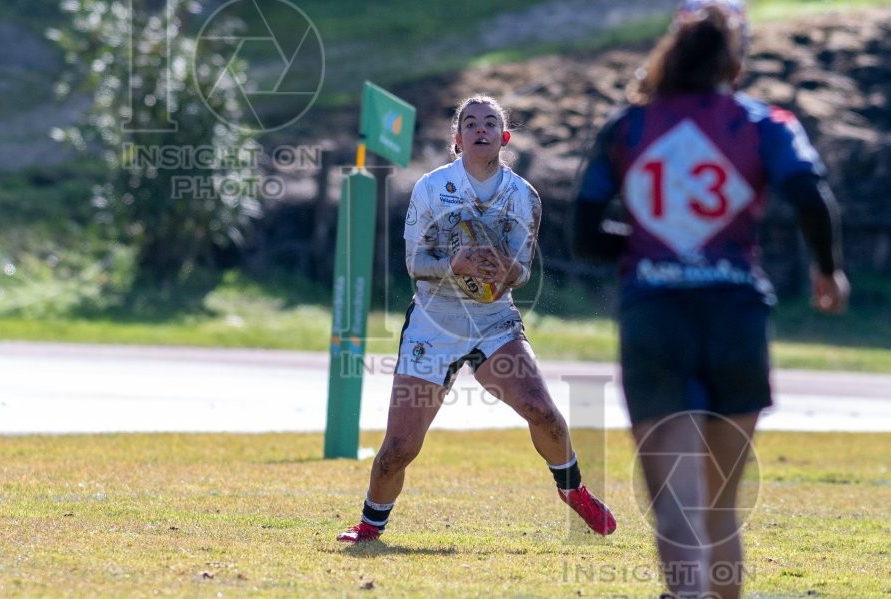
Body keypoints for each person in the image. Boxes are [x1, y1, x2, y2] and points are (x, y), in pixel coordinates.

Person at [571, 1, 849, 597]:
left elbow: (586, 236)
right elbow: (809, 194)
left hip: (654, 317)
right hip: (735, 315)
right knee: (721, 510)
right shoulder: (764, 123)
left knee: (675, 509)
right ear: (735, 59)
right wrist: (828, 273)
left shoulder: (629, 127)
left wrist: (649, 246)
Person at [337, 94, 617, 543]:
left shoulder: (523, 196)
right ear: (458, 139)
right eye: (470, 123)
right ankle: (370, 525)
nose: (480, 129)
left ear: (504, 137)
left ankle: (574, 491)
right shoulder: (432, 187)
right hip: (434, 319)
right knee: (398, 450)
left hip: (492, 320)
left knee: (543, 412)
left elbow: (522, 270)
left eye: (490, 123)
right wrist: (455, 265)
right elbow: (413, 262)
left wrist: (509, 273)